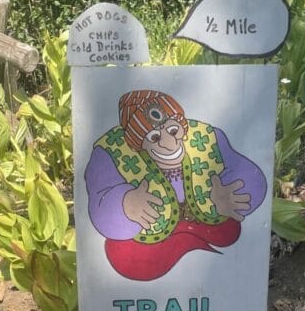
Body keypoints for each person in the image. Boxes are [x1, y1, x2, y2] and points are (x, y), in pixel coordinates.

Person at [84, 89, 267, 281]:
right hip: (150, 245)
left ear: (181, 124)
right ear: (138, 143)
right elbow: (100, 194)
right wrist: (125, 204)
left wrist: (235, 192)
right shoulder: (111, 150)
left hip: (208, 231)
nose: (169, 143)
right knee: (123, 254)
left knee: (229, 233)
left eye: (173, 130)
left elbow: (245, 171)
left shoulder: (206, 137)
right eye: (154, 137)